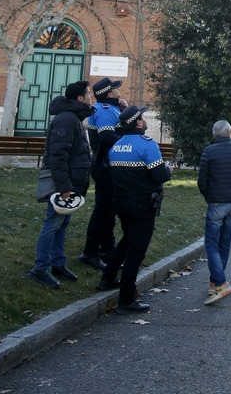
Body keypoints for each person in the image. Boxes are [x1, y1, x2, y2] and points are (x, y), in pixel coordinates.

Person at [98, 105, 171, 314]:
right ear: (138, 123)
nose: (144, 119)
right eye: (142, 117)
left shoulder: (117, 146)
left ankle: (108, 278)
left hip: (121, 202)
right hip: (142, 204)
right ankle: (126, 299)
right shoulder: (147, 145)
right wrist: (168, 170)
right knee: (136, 251)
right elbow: (160, 176)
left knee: (127, 240)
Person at [29, 80, 94, 289]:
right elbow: (57, 156)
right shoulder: (66, 119)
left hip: (71, 181)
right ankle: (40, 267)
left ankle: (58, 263)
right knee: (53, 223)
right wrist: (65, 187)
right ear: (80, 98)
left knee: (62, 223)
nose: (91, 97)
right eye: (88, 94)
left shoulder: (73, 117)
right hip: (63, 183)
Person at [197, 119, 231, 306]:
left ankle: (220, 282)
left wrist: (209, 196)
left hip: (217, 202)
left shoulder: (209, 152)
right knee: (224, 243)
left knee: (211, 243)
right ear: (230, 133)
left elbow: (202, 181)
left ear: (214, 135)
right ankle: (215, 283)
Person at [78, 76, 124, 270]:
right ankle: (90, 252)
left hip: (109, 165)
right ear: (109, 93)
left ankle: (107, 251)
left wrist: (123, 110)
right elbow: (106, 138)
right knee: (103, 210)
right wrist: (127, 143)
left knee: (109, 211)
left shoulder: (111, 108)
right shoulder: (104, 111)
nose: (118, 90)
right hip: (105, 165)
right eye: (115, 88)